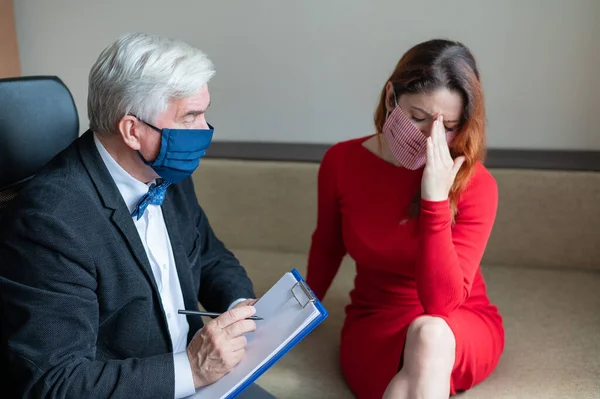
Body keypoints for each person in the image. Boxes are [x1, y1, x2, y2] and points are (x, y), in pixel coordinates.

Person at [0, 33, 275, 399]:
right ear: (132, 130)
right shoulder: (48, 223)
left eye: (205, 113)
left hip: (198, 377)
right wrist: (191, 369)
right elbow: (57, 382)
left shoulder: (165, 172)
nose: (205, 131)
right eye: (190, 117)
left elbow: (208, 255)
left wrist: (239, 306)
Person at [306, 39, 504, 399]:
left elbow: (440, 306)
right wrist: (296, 314)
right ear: (390, 98)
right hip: (376, 318)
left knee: (429, 333)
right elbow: (327, 246)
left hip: (457, 322)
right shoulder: (342, 161)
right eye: (417, 117)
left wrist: (434, 200)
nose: (431, 138)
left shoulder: (477, 184)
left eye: (449, 126)